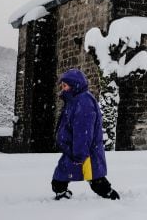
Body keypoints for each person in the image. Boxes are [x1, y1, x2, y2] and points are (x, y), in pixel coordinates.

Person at [51, 68, 120, 200]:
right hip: (72, 148)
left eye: (65, 85)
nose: (63, 88)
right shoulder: (74, 100)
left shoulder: (83, 102)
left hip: (83, 150)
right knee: (60, 177)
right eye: (62, 86)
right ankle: (61, 193)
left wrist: (80, 154)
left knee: (95, 178)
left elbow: (83, 132)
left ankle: (111, 197)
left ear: (74, 85)